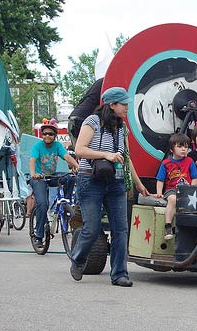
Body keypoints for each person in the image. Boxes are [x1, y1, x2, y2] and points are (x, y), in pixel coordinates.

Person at [70, 86, 150, 287]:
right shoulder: (92, 121)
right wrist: (105, 155)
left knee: (121, 229)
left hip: (116, 182)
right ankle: (78, 259)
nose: (126, 108)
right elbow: (79, 149)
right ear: (112, 104)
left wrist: (139, 184)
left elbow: (127, 158)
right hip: (90, 180)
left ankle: (119, 274)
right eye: (123, 104)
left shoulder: (122, 128)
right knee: (92, 227)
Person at [29, 118, 80, 247]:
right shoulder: (37, 146)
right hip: (39, 178)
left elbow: (67, 156)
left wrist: (77, 166)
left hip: (51, 176)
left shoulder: (57, 146)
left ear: (55, 136)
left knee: (70, 178)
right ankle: (39, 236)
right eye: (45, 133)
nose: (47, 136)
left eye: (50, 134)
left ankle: (66, 203)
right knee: (43, 204)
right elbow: (32, 160)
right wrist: (33, 174)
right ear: (42, 135)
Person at [156, 133, 197, 240]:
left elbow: (194, 177)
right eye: (180, 146)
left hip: (187, 190)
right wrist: (159, 192)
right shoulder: (166, 163)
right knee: (173, 199)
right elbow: (160, 180)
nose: (183, 149)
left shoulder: (190, 161)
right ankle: (168, 226)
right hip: (171, 190)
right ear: (172, 149)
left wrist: (191, 188)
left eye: (186, 146)